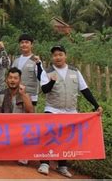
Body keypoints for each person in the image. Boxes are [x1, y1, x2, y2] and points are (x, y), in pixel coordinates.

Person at [37, 45, 103, 178]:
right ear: (52, 57)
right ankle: (44, 163)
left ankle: (62, 166)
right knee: (48, 136)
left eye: (60, 54)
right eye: (55, 55)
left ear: (65, 56)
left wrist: (96, 105)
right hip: (53, 109)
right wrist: (52, 82)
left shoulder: (75, 71)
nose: (58, 57)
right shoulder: (47, 72)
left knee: (65, 139)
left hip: (70, 112)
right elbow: (44, 90)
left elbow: (84, 90)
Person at [0, 67, 33, 166]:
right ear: (6, 79)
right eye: (10, 77)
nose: (12, 80)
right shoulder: (1, 94)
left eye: (15, 78)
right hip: (4, 127)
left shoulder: (25, 94)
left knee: (29, 130)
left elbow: (31, 111)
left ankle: (23, 155)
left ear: (20, 80)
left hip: (20, 128)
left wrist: (23, 95)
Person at [10, 33, 43, 108]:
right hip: (16, 96)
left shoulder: (36, 60)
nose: (24, 44)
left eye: (26, 42)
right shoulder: (16, 60)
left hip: (31, 96)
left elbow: (41, 77)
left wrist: (38, 64)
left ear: (31, 45)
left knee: (30, 119)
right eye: (22, 42)